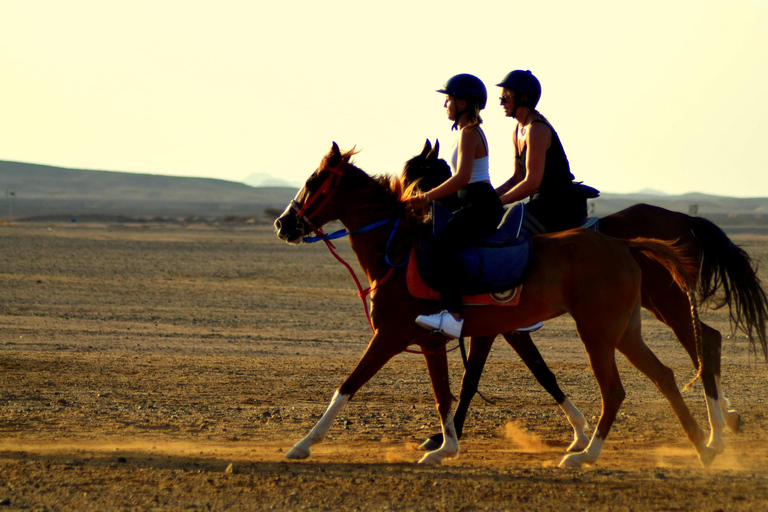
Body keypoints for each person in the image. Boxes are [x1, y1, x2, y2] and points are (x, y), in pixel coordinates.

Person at [407, 74, 504, 339]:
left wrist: (426, 197)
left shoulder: (470, 133)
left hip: (480, 205)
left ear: (463, 102)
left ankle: (453, 316)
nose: (445, 105)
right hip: (474, 202)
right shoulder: (465, 133)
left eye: (448, 99)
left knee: (442, 247)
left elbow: (461, 178)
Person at [495, 70, 597, 234]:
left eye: (505, 97)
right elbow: (517, 178)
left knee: (507, 232)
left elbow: (531, 183)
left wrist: (497, 203)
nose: (501, 103)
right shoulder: (517, 131)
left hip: (557, 205)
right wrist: (490, 198)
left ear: (524, 98)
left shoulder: (537, 129)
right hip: (539, 204)